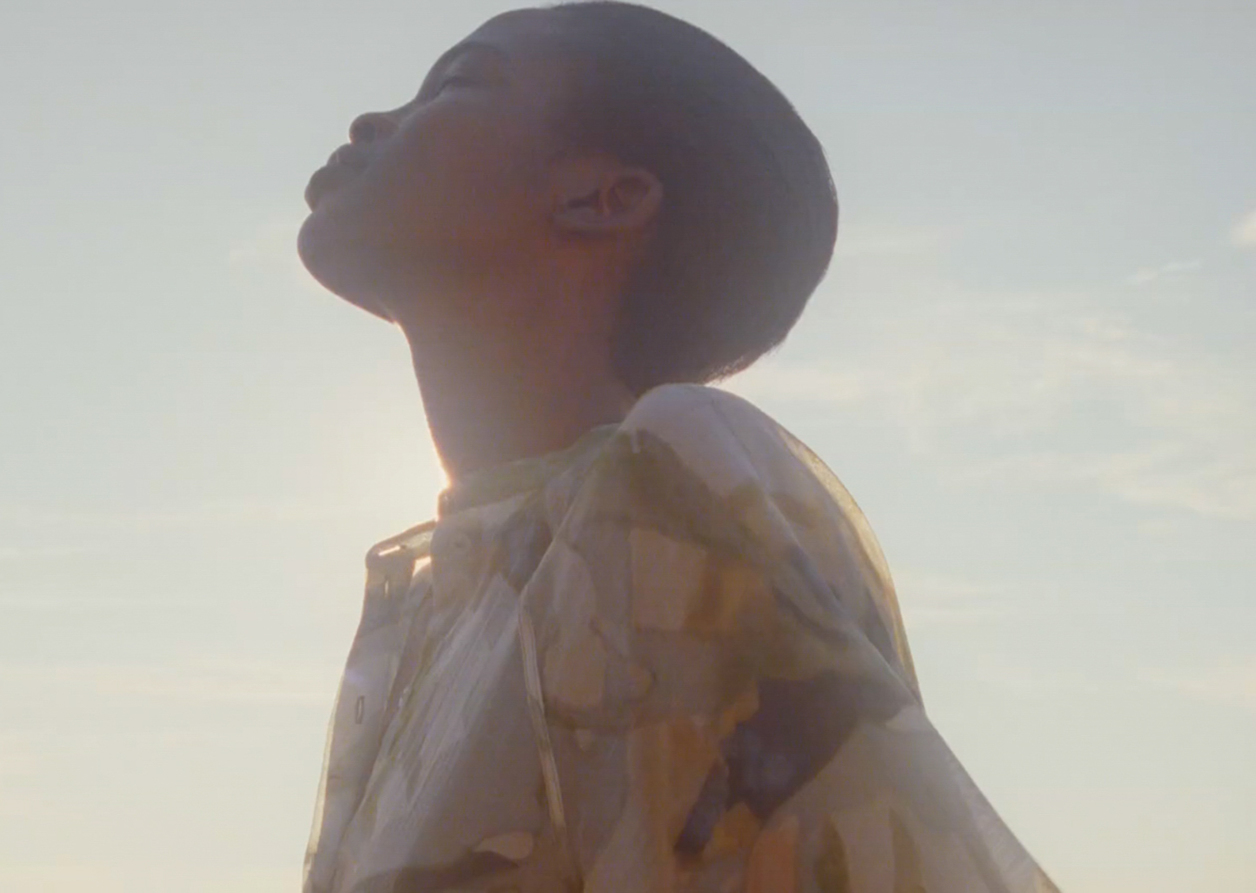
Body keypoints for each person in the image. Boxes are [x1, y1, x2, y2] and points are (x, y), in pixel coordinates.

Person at [295, 3, 1058, 891]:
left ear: (602, 197)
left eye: (459, 82)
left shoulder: (674, 480)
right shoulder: (437, 616)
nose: (371, 120)